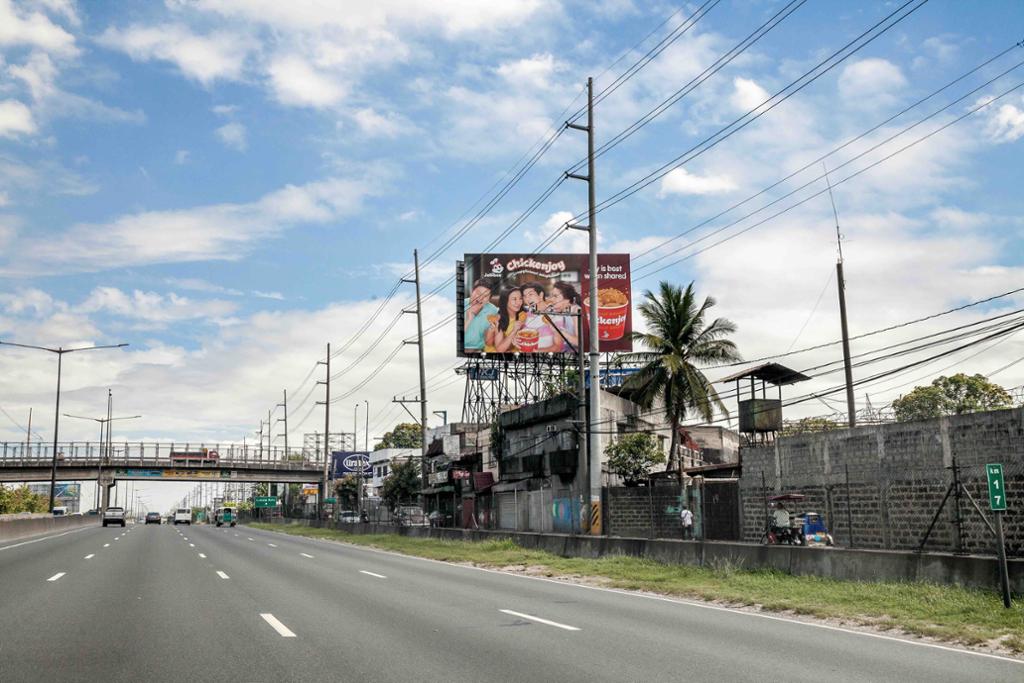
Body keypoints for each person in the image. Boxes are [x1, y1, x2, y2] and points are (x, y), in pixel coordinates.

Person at [520, 282, 560, 353]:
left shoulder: (554, 314)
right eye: (524, 296)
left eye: (530, 294)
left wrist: (535, 352)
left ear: (541, 295)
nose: (527, 299)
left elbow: (558, 347)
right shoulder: (525, 315)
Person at [485, 286, 526, 353]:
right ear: (505, 301)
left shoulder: (523, 315)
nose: (518, 302)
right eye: (514, 299)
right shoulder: (498, 319)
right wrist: (514, 330)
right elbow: (500, 350)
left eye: (520, 298)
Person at [464, 279, 498, 353]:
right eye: (478, 293)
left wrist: (492, 330)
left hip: (481, 351)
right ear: (472, 291)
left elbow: (489, 341)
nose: (480, 298)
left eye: (485, 296)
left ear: (489, 299)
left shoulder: (493, 310)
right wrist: (469, 319)